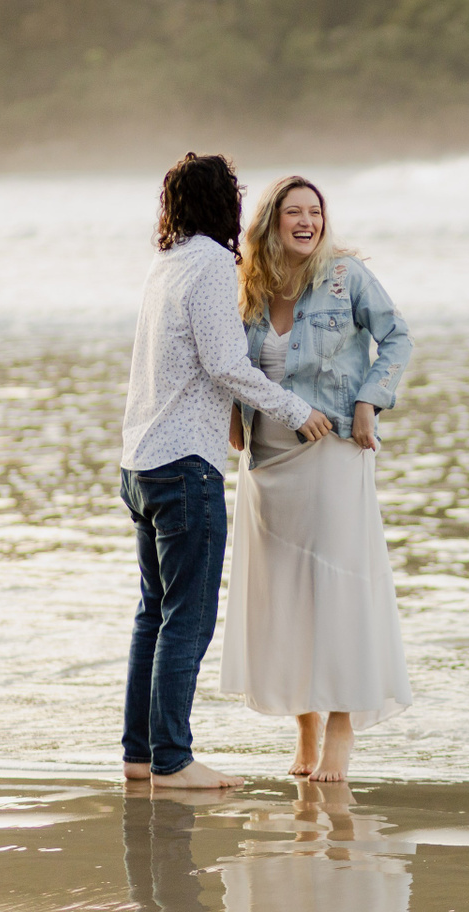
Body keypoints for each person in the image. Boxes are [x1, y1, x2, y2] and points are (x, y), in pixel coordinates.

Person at [119, 153, 335, 791]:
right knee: (187, 618)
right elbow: (226, 363)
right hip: (186, 464)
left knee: (154, 613)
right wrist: (297, 411)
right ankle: (172, 760)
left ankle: (140, 755)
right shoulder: (214, 263)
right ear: (226, 203)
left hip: (140, 462)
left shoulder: (165, 262)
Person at [221, 175, 413, 782]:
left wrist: (369, 402)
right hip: (267, 462)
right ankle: (304, 725)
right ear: (271, 222)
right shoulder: (249, 285)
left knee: (337, 591)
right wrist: (232, 420)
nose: (307, 222)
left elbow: (397, 338)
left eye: (316, 212)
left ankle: (340, 727)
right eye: (294, 212)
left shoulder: (346, 277)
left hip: (333, 451)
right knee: (285, 596)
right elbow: (232, 364)